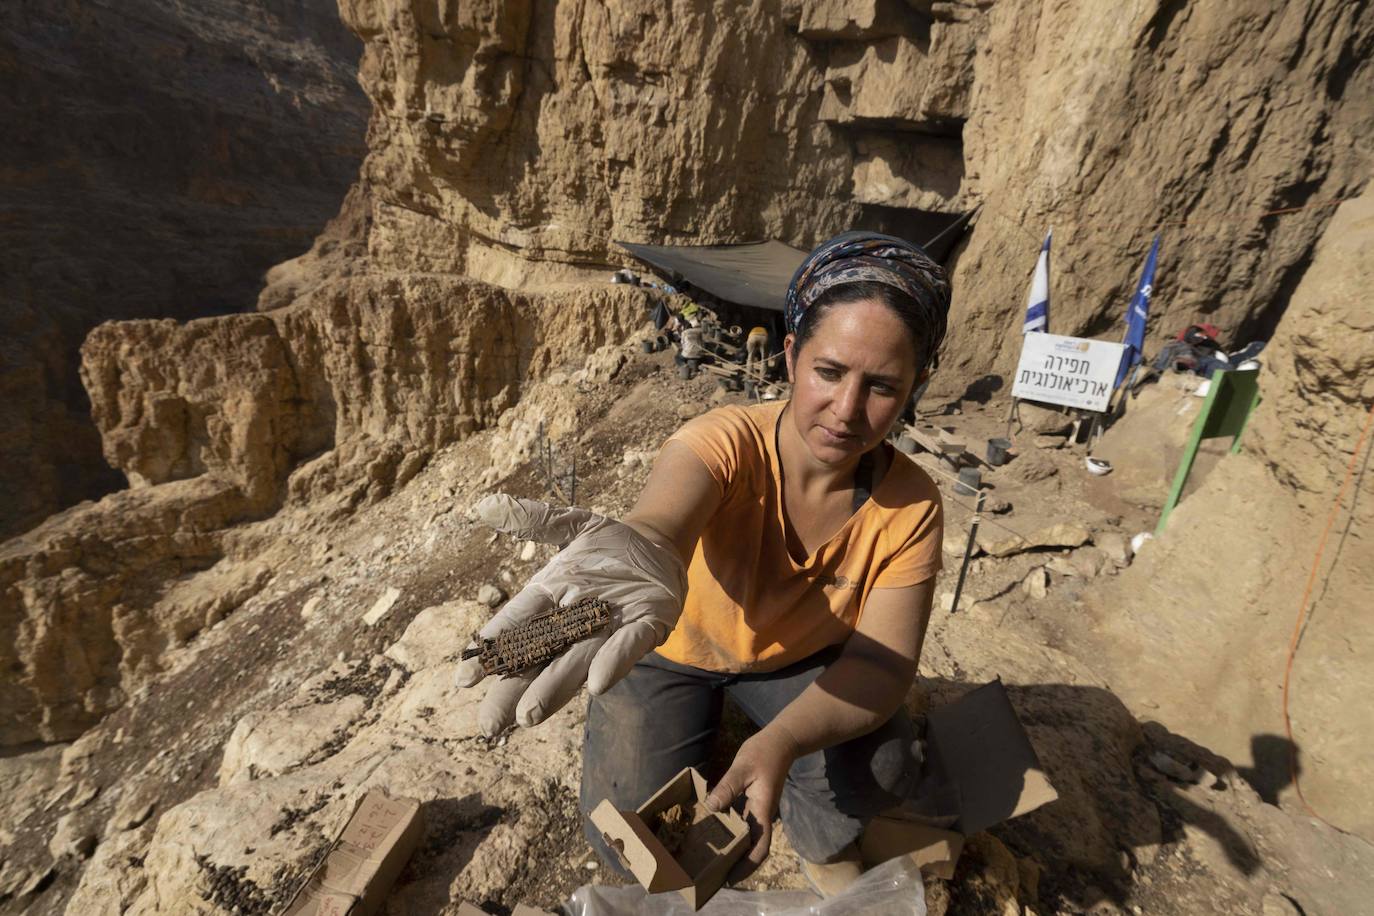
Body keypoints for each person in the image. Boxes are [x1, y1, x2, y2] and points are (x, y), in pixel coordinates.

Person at [456, 231, 950, 895]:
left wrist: (781, 742)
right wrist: (650, 546)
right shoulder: (723, 443)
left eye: (882, 385)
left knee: (882, 768)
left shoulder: (910, 504)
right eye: (828, 372)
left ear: (916, 383)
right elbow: (667, 511)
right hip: (668, 642)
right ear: (792, 355)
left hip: (792, 664)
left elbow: (883, 665)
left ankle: (816, 840)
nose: (847, 409)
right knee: (624, 831)